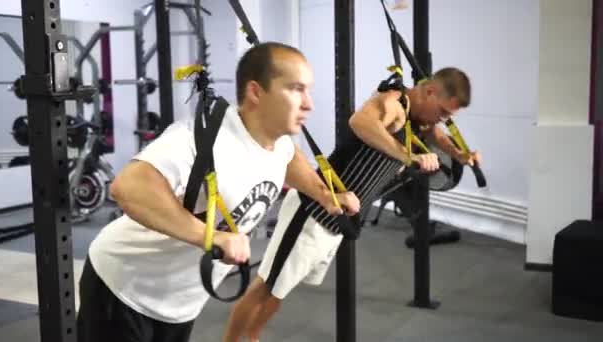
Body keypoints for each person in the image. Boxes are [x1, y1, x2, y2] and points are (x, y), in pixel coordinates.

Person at [75, 42, 359, 342]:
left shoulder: (279, 143)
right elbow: (128, 187)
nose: (308, 103)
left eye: (308, 90)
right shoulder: (202, 139)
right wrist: (210, 237)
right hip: (124, 286)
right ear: (256, 92)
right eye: (296, 89)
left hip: (179, 302)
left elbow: (289, 160)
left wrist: (326, 196)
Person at [223, 67, 480, 342]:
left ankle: (252, 337)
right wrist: (408, 157)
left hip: (337, 217)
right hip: (314, 208)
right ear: (429, 91)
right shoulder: (392, 104)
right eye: (442, 112)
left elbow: (434, 134)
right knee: (266, 286)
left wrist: (459, 154)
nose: (441, 119)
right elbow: (360, 122)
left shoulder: (421, 119)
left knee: (280, 288)